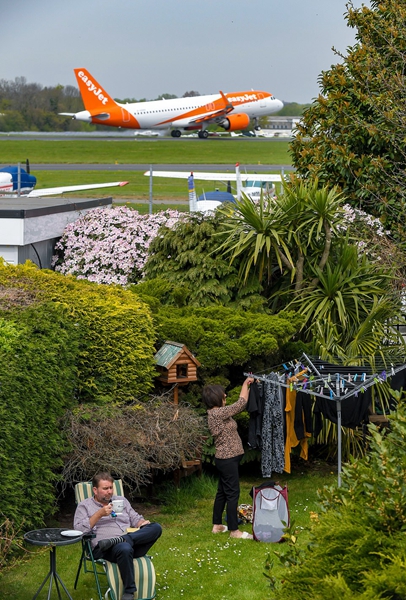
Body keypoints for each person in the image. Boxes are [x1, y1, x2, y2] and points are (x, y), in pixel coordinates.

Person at [74, 472, 162, 600]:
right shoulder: (85, 506)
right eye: (105, 488)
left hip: (130, 543)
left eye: (111, 488)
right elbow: (78, 530)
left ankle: (124, 539)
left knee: (156, 527)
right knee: (123, 547)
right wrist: (99, 514)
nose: (109, 492)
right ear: (95, 490)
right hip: (105, 548)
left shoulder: (121, 501)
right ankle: (129, 591)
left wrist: (142, 523)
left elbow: (135, 518)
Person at [202, 376, 254, 540]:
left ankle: (217, 525)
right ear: (217, 398)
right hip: (227, 459)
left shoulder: (218, 413)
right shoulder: (217, 413)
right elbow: (240, 404)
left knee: (223, 492)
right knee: (233, 493)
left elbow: (239, 403)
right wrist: (245, 383)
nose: (225, 396)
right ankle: (234, 531)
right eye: (223, 395)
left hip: (227, 459)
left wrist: (248, 386)